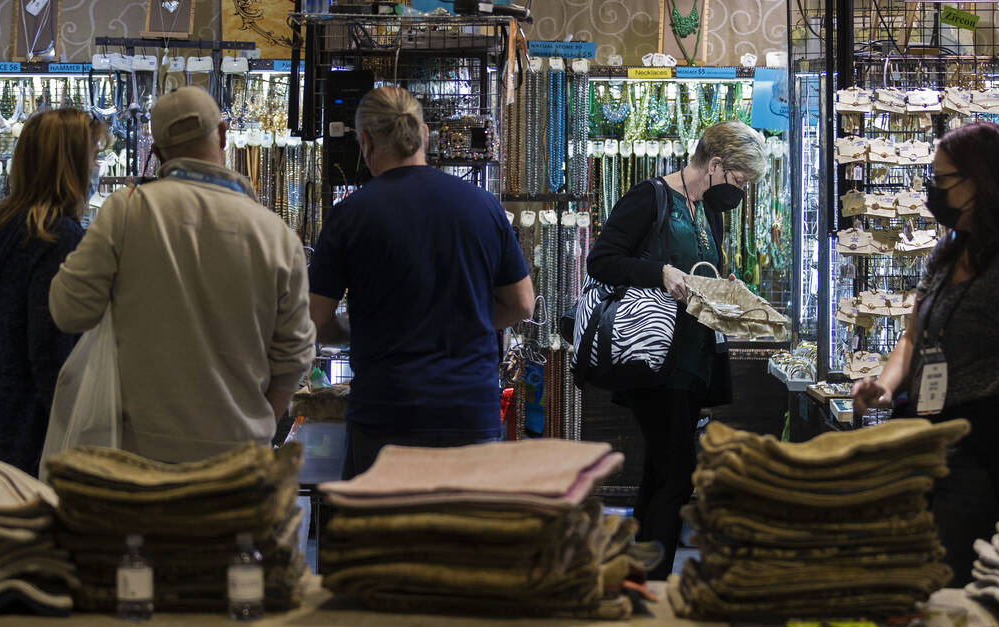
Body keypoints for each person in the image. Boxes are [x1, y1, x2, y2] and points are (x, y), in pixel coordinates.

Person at [852, 121, 999, 587]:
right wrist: (886, 384)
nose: (931, 191)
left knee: (961, 592)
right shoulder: (950, 253)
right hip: (939, 448)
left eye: (941, 180)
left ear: (980, 183)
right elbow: (914, 338)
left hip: (991, 456)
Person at [49, 86, 316, 463]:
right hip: (236, 461)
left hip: (140, 460)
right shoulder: (276, 236)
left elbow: (68, 311)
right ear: (223, 134)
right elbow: (296, 355)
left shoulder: (125, 213)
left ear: (156, 154)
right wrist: (258, 425)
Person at [307, 86, 534, 479]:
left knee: (386, 538)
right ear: (425, 134)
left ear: (365, 141)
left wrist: (360, 329)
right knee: (459, 537)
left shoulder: (349, 216)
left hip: (386, 412)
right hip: (468, 412)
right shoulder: (482, 206)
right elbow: (521, 304)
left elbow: (315, 319)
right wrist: (464, 320)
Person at [587, 120, 769, 579]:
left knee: (661, 469)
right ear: (715, 164)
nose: (740, 191)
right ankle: (654, 582)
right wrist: (659, 272)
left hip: (693, 359)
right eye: (740, 180)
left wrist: (725, 288)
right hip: (654, 356)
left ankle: (637, 576)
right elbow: (602, 260)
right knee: (677, 472)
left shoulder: (707, 210)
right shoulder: (650, 197)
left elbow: (701, 274)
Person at [0, 108, 107, 475]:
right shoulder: (58, 235)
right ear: (70, 163)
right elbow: (48, 343)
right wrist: (70, 420)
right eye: (94, 156)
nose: (97, 167)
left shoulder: (2, 222)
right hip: (32, 423)